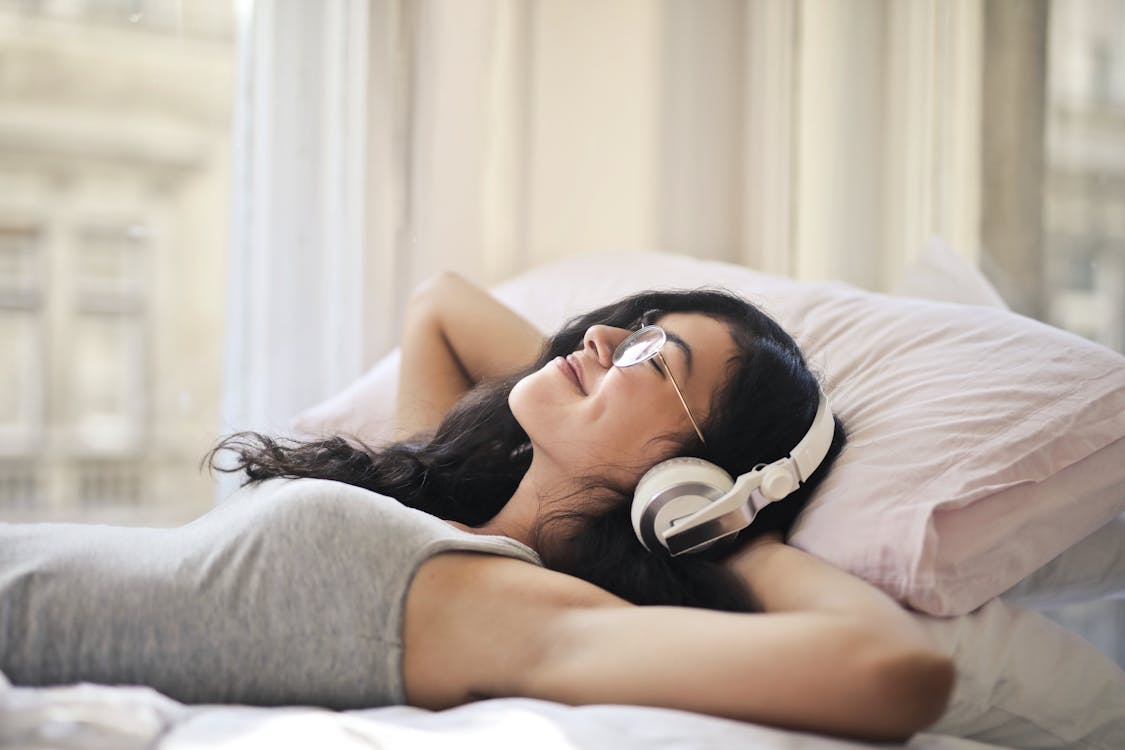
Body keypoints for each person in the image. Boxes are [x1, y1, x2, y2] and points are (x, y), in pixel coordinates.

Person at [0, 272, 954, 743]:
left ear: (692, 477)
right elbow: (443, 308)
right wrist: (608, 368)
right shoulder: (445, 500)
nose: (605, 336)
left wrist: (715, 522)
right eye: (635, 326)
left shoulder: (507, 613)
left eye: (655, 359)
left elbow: (897, 670)